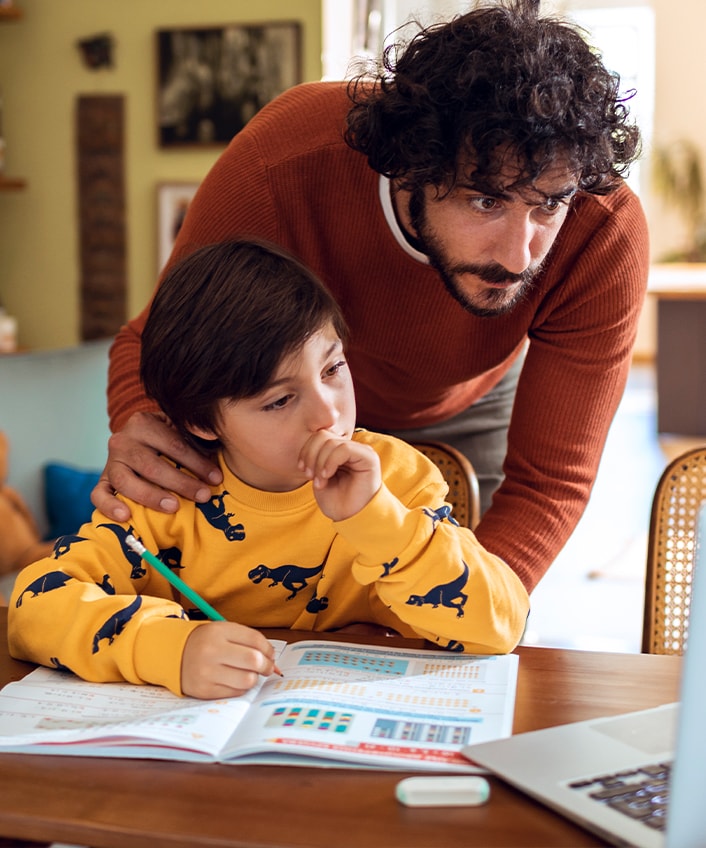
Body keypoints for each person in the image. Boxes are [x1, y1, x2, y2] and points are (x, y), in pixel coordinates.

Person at [98, 0, 649, 593]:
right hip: (285, 411)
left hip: (472, 406)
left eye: (548, 206)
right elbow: (153, 342)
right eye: (485, 201)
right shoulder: (280, 164)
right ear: (412, 167)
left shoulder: (604, 230)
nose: (520, 258)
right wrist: (143, 422)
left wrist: (467, 612)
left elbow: (548, 484)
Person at [8, 239, 529, 700]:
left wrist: (381, 522)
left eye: (333, 368)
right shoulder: (164, 497)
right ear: (202, 421)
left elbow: (502, 626)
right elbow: (33, 607)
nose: (328, 413)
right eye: (280, 400)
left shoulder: (398, 478)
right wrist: (167, 648)